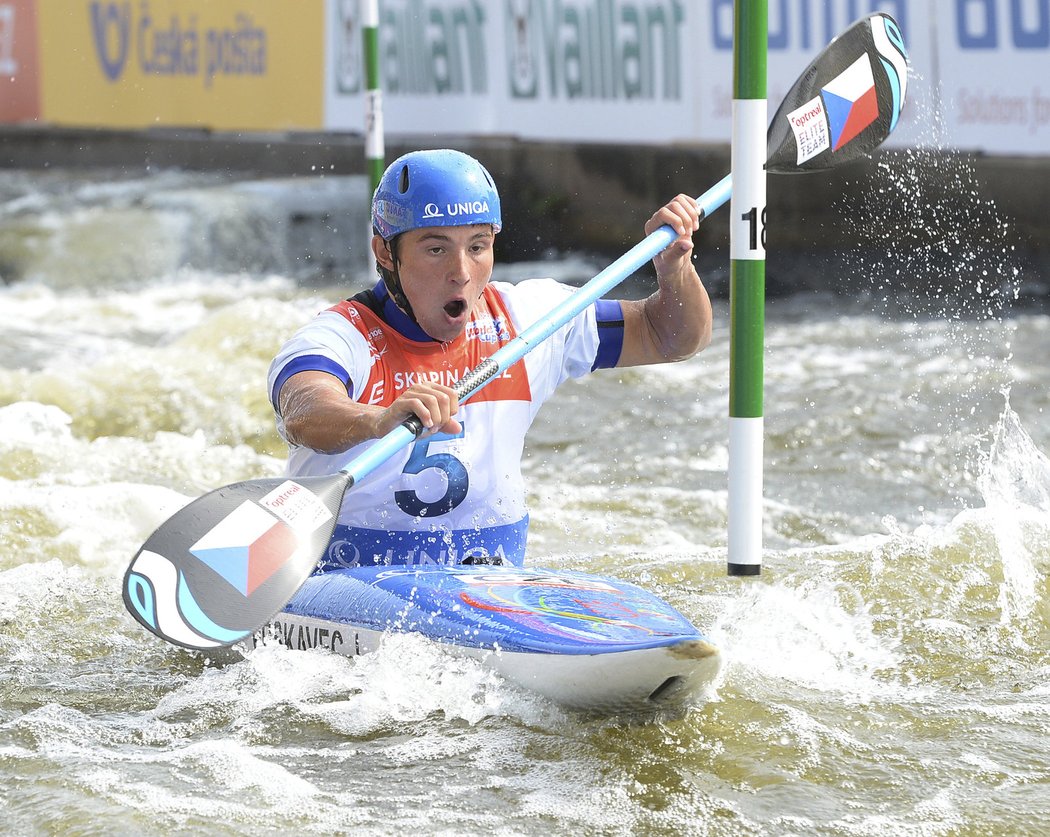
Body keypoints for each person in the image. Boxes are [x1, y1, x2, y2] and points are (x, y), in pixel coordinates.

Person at [267, 148, 711, 571]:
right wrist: (377, 420)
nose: (461, 271)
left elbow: (669, 337)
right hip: (347, 575)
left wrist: (676, 270)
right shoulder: (340, 336)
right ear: (386, 253)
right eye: (436, 249)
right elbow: (304, 412)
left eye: (477, 247)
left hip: (489, 579)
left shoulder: (530, 318)